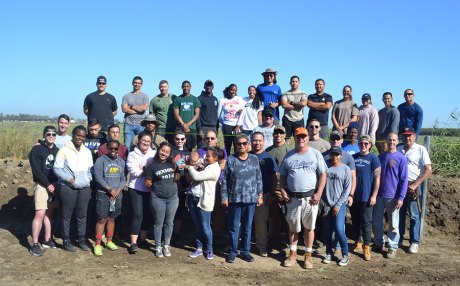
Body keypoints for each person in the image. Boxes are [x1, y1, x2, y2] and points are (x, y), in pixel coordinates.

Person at [279, 127, 327, 269]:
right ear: (294, 137)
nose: (301, 139)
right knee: (293, 228)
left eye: (303, 136)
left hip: (310, 198)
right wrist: (282, 190)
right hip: (293, 198)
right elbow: (282, 175)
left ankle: (308, 256)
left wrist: (319, 193)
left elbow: (323, 174)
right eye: (298, 136)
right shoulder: (289, 156)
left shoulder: (315, 154)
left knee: (309, 228)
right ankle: (293, 254)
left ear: (307, 138)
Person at [222, 134, 263, 263]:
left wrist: (260, 195)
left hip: (250, 198)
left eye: (244, 143)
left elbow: (258, 178)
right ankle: (233, 251)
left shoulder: (254, 159)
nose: (241, 145)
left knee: (247, 226)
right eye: (239, 143)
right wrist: (224, 197)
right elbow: (225, 180)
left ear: (248, 144)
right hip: (235, 198)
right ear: (235, 145)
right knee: (234, 227)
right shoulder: (231, 160)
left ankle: (245, 251)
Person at [53, 125, 93, 252]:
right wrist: (69, 179)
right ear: (73, 135)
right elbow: (57, 168)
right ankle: (66, 240)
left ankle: (81, 240)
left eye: (82, 136)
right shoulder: (64, 150)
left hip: (84, 188)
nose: (80, 138)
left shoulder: (87, 151)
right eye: (78, 135)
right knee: (67, 215)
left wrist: (88, 179)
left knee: (82, 215)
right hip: (68, 188)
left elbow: (90, 169)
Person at [373, 132, 408, 259]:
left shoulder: (401, 158)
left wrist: (401, 197)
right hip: (379, 195)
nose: (391, 142)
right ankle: (378, 243)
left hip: (393, 197)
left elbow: (404, 180)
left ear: (397, 142)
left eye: (393, 140)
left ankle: (392, 246)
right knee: (376, 221)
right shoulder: (380, 157)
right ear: (386, 142)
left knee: (393, 223)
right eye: (389, 140)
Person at [397, 126, 432, 254]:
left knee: (413, 215)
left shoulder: (420, 149)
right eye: (405, 135)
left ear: (414, 136)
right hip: (400, 186)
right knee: (399, 213)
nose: (407, 137)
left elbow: (428, 170)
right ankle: (398, 238)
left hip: (413, 186)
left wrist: (416, 184)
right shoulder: (399, 149)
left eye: (409, 135)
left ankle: (414, 242)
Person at [184, 147, 222, 260]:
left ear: (215, 158)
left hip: (204, 201)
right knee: (197, 225)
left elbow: (197, 176)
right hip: (193, 198)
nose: (206, 157)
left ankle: (209, 250)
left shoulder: (214, 169)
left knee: (205, 227)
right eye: (206, 155)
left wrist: (189, 167)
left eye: (209, 156)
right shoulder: (208, 166)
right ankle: (199, 248)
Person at [28, 126, 60, 256]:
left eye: (53, 134)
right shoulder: (36, 150)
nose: (51, 136)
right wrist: (47, 184)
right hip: (42, 185)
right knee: (40, 214)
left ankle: (47, 239)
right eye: (48, 134)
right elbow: (36, 170)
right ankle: (35, 244)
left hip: (54, 185)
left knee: (49, 213)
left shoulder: (58, 151)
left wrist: (54, 184)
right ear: (44, 135)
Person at [145, 142, 179, 258]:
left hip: (173, 198)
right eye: (162, 150)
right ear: (159, 150)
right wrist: (159, 187)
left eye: (167, 152)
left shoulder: (172, 164)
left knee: (169, 223)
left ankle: (166, 245)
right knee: (158, 223)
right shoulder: (152, 166)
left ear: (169, 154)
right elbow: (148, 182)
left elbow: (177, 175)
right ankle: (158, 246)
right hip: (158, 198)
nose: (163, 153)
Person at [92, 140, 126, 256]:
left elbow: (123, 178)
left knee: (112, 218)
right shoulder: (101, 160)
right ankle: (97, 244)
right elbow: (98, 177)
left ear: (118, 149)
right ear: (107, 148)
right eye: (111, 148)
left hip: (117, 194)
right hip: (103, 193)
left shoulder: (121, 161)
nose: (113, 151)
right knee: (102, 219)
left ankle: (109, 241)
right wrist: (109, 189)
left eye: (115, 149)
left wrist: (118, 190)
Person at [350, 134, 381, 261]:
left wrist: (374, 195)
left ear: (370, 145)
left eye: (366, 144)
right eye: (361, 143)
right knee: (355, 220)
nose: (363, 146)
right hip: (354, 195)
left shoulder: (374, 158)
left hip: (366, 195)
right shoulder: (354, 158)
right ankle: (358, 241)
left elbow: (377, 178)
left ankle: (366, 247)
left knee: (366, 222)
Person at [196, 130, 228, 247]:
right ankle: (205, 238)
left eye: (212, 138)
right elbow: (196, 164)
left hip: (218, 184)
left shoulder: (221, 151)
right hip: (203, 184)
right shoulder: (200, 151)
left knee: (218, 212)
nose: (209, 140)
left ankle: (217, 236)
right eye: (207, 138)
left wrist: (204, 166)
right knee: (204, 211)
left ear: (216, 139)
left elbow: (223, 165)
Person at [126, 131, 156, 254]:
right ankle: (133, 242)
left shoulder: (154, 154)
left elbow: (155, 171)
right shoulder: (132, 154)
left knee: (148, 215)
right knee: (138, 214)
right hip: (135, 188)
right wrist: (147, 171)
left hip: (149, 189)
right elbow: (134, 172)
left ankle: (142, 239)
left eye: (148, 141)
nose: (145, 143)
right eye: (143, 140)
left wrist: (143, 169)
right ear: (139, 140)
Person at [321, 146, 352, 266]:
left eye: (337, 154)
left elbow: (347, 189)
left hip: (339, 204)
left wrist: (338, 205)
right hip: (326, 204)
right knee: (327, 231)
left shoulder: (345, 169)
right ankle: (329, 252)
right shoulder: (325, 167)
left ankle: (345, 254)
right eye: (332, 154)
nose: (334, 157)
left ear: (341, 156)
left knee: (339, 229)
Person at [251, 132, 278, 257]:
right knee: (242, 222)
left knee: (260, 222)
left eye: (260, 140)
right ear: (251, 141)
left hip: (263, 195)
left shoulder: (268, 157)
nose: (257, 143)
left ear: (263, 142)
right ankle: (241, 244)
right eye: (255, 140)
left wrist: (272, 194)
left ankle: (261, 246)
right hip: (246, 194)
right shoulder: (247, 156)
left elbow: (274, 177)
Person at [265, 125, 291, 250]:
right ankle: (274, 240)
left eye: (281, 133)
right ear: (273, 135)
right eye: (276, 133)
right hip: (272, 187)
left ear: (285, 135)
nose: (278, 135)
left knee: (287, 215)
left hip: (285, 186)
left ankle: (289, 241)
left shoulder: (289, 150)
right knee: (273, 215)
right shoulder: (268, 151)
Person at [170, 129, 191, 244]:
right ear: (174, 139)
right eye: (177, 139)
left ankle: (176, 233)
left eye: (182, 139)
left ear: (185, 140)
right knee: (170, 210)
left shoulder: (188, 153)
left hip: (184, 184)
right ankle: (168, 232)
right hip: (171, 184)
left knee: (180, 210)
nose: (179, 141)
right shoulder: (170, 151)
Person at [122, 76, 150, 151]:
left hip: (140, 125)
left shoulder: (145, 96)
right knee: (127, 145)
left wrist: (131, 106)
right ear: (132, 83)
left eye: (139, 83)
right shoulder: (126, 96)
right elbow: (124, 109)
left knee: (141, 145)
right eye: (135, 83)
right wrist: (138, 110)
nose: (137, 84)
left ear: (141, 84)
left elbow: (144, 108)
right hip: (128, 124)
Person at [218, 84, 245, 155]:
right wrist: (224, 123)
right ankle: (227, 162)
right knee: (227, 146)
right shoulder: (222, 100)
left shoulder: (239, 99)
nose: (233, 92)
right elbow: (218, 115)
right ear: (228, 90)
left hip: (237, 126)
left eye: (235, 90)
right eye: (232, 90)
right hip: (227, 126)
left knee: (238, 145)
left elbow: (242, 113)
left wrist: (238, 125)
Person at [173, 80, 201, 150]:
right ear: (181, 87)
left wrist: (188, 124)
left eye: (187, 86)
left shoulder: (195, 99)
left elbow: (197, 114)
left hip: (191, 128)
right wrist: (183, 124)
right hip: (180, 128)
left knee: (190, 148)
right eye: (184, 86)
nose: (186, 88)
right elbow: (176, 114)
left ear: (190, 87)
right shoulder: (177, 99)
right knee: (179, 147)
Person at [281, 76, 308, 140]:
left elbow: (303, 103)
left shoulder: (303, 93)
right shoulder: (286, 93)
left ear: (299, 83)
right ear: (290, 83)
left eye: (296, 81)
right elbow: (284, 105)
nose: (294, 83)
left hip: (299, 119)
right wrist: (298, 105)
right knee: (286, 139)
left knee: (299, 139)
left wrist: (292, 102)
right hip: (287, 119)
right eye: (293, 81)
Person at [197, 80, 219, 149]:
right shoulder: (200, 98)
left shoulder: (215, 99)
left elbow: (217, 114)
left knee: (213, 149)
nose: (208, 87)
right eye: (207, 85)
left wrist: (217, 128)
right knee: (202, 148)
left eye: (210, 85)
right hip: (203, 127)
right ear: (204, 87)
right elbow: (197, 115)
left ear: (213, 87)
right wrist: (199, 129)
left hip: (214, 127)